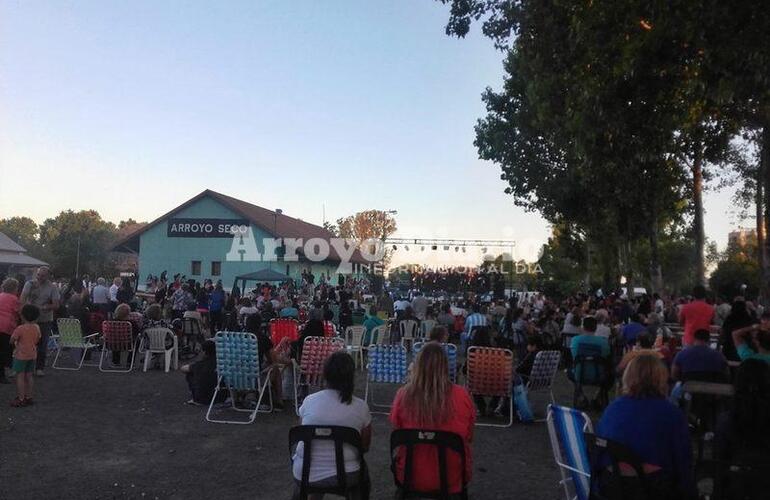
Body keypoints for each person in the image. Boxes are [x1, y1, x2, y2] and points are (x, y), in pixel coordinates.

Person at [596, 354, 696, 499]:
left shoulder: (613, 408)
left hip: (611, 485)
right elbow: (683, 462)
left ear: (627, 377)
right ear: (662, 379)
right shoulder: (671, 414)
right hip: (652, 488)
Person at [390, 343, 475, 497]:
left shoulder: (403, 395)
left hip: (411, 476)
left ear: (418, 365)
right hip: (452, 478)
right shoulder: (462, 396)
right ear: (445, 367)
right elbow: (468, 437)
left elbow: (397, 431)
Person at [292, 351, 371, 500]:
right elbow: (364, 447)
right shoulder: (360, 407)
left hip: (305, 473)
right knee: (363, 477)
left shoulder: (309, 401)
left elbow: (301, 433)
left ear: (326, 374)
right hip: (347, 474)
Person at [19, 267, 59, 376]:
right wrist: (23, 315)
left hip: (45, 320)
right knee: (25, 343)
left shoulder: (53, 287)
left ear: (48, 276)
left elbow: (56, 305)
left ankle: (39, 368)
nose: (40, 278)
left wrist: (44, 307)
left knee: (42, 345)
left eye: (42, 276)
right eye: (38, 275)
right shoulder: (29, 284)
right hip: (29, 319)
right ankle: (22, 367)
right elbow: (22, 299)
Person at [10, 305, 41, 407]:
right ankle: (29, 396)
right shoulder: (37, 327)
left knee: (20, 376)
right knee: (29, 375)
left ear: (22, 316)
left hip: (20, 355)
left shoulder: (20, 328)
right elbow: (37, 339)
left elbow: (12, 340)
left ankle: (21, 398)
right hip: (32, 354)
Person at [180, 339, 223, 406]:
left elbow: (183, 368)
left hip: (201, 399)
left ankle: (196, 395)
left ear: (204, 352)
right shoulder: (221, 363)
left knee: (189, 374)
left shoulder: (200, 364)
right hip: (219, 397)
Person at [0, 278, 21, 384]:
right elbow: (18, 312)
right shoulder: (14, 299)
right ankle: (2, 374)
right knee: (5, 351)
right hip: (7, 326)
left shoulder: (1, 295)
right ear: (14, 288)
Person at [720, 298, 754, 362]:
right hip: (744, 349)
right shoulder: (748, 319)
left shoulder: (729, 318)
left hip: (728, 348)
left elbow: (722, 333)